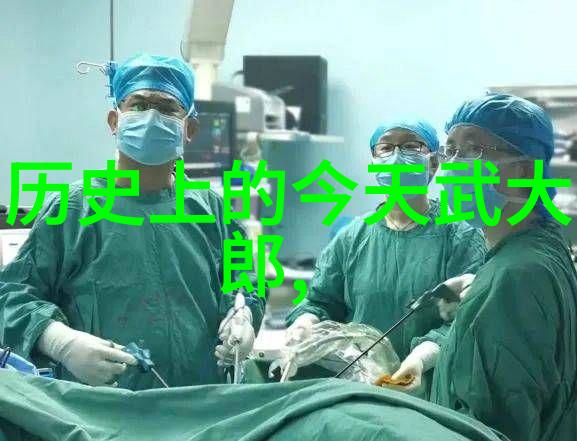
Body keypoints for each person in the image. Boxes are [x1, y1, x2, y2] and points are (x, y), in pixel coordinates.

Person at [0, 53, 265, 390]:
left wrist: (243, 316)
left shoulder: (210, 209)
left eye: (168, 108)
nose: (151, 116)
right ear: (114, 121)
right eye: (138, 105)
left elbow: (244, 278)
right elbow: (12, 295)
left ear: (190, 129)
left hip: (199, 403)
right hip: (102, 410)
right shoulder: (74, 209)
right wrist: (60, 342)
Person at [284, 120, 487, 393]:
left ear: (433, 163)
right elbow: (321, 302)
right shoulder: (351, 236)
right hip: (360, 386)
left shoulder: (460, 236)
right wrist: (305, 323)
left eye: (411, 146)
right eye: (386, 148)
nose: (396, 156)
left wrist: (421, 358)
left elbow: (467, 319)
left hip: (431, 388)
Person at [431, 94, 577, 441]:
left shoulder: (516, 276)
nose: (453, 164)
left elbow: (492, 429)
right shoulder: (536, 248)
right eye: (450, 150)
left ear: (524, 171)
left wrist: (492, 292)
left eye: (472, 149)